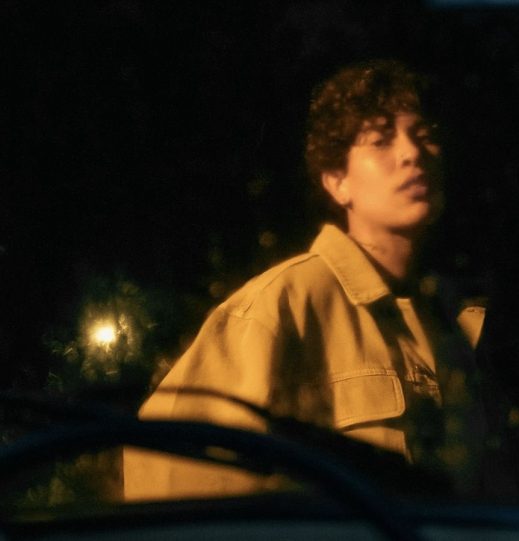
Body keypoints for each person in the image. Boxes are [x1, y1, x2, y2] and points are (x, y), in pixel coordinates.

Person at [123, 59, 497, 500]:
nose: (412, 153)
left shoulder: (454, 323)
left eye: (425, 134)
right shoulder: (281, 305)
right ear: (337, 182)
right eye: (380, 140)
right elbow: (171, 468)